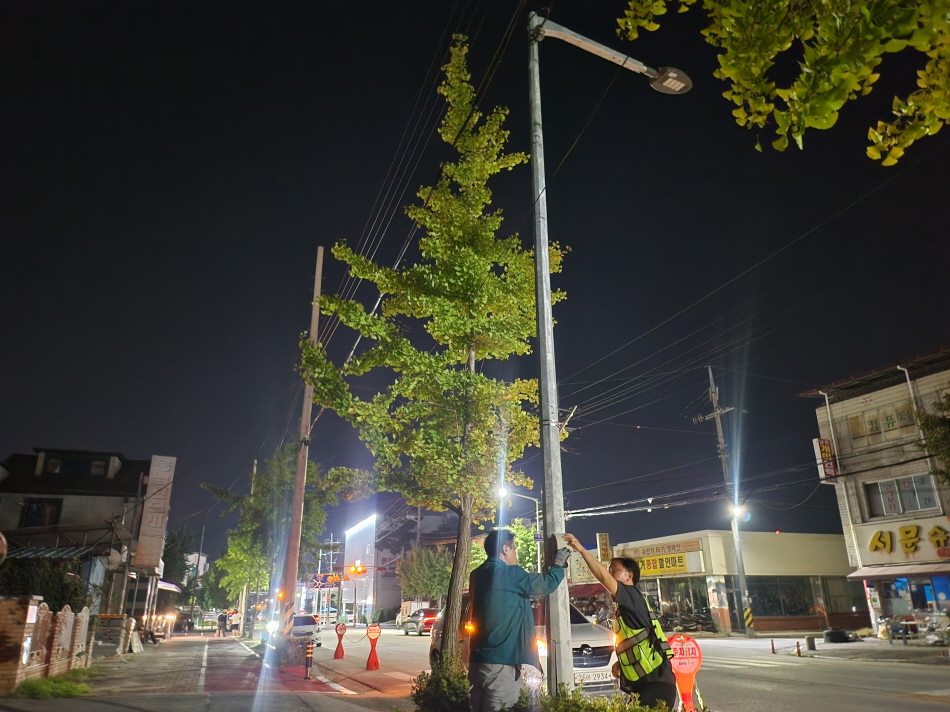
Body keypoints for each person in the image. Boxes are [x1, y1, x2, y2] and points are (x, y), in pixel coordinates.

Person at [563, 534, 676, 709]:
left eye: (613, 569)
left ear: (628, 575)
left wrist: (581, 550)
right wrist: (621, 663)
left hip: (655, 686)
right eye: (609, 569)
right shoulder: (630, 603)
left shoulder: (630, 595)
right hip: (647, 686)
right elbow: (639, 641)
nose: (609, 573)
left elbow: (602, 577)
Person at [467, 528, 572, 712]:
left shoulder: (476, 574)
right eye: (514, 548)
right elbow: (544, 584)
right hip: (502, 664)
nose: (515, 552)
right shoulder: (509, 574)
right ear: (505, 549)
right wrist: (558, 564)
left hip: (478, 663)